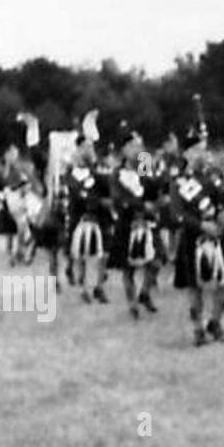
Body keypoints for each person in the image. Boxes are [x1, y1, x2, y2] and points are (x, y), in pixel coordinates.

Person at [170, 128, 224, 346]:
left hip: (217, 236)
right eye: (196, 151)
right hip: (193, 238)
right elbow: (176, 214)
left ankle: (215, 321)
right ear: (186, 154)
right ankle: (197, 329)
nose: (202, 155)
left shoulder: (213, 177)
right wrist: (201, 224)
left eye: (203, 150)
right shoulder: (178, 182)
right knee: (195, 287)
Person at [108, 128, 162, 319]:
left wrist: (150, 164)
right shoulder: (117, 174)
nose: (136, 149)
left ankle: (145, 293)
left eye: (138, 145)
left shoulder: (144, 167)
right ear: (123, 150)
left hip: (147, 221)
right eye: (132, 146)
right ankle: (132, 304)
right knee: (128, 268)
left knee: (156, 262)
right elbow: (118, 198)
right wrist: (140, 205)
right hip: (127, 222)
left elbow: (154, 188)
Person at [65, 135, 113, 304]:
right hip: (79, 218)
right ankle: (83, 287)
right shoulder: (71, 174)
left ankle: (99, 286)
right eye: (85, 147)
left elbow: (107, 188)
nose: (89, 150)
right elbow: (76, 194)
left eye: (91, 147)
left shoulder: (97, 171)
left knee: (103, 253)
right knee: (81, 253)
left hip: (100, 217)